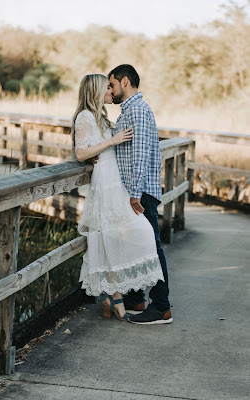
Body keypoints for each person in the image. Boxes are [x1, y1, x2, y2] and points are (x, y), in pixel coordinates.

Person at [71, 74, 164, 321]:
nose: (110, 91)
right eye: (107, 87)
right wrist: (110, 141)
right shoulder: (84, 116)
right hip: (105, 182)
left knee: (133, 233)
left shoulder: (101, 115)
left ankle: (120, 298)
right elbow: (81, 153)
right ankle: (116, 298)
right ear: (96, 90)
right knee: (108, 238)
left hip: (117, 182)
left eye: (111, 86)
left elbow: (100, 146)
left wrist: (107, 143)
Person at [108, 64, 173, 325]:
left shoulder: (136, 109)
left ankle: (162, 307)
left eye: (111, 84)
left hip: (141, 193)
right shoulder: (129, 110)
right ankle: (136, 298)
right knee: (135, 243)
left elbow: (141, 154)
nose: (109, 90)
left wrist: (134, 193)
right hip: (135, 191)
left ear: (125, 82)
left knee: (152, 247)